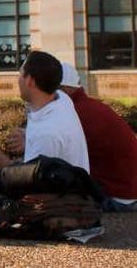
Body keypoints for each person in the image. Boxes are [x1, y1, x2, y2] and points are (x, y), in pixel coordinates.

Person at [0, 51, 89, 210]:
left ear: (30, 81)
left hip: (50, 202)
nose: (17, 79)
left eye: (20, 75)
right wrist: (26, 136)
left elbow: (21, 183)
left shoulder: (46, 135)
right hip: (46, 180)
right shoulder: (60, 99)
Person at [55, 62, 137, 211]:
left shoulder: (76, 114)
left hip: (115, 198)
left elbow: (56, 158)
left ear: (64, 91)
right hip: (126, 192)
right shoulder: (88, 107)